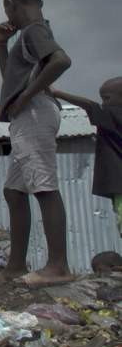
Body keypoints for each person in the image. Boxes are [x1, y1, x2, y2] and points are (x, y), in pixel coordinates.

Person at [0, 0, 74, 287]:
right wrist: (0, 45)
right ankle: (15, 266)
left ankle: (58, 266)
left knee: (43, 186)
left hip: (35, 113)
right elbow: (10, 81)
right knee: (14, 191)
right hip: (29, 115)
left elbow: (61, 61)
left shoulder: (34, 30)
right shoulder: (27, 36)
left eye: (6, 8)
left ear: (11, 3)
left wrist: (27, 97)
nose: (7, 15)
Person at [52, 77, 122, 237]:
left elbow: (90, 106)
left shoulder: (114, 115)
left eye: (107, 98)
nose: (103, 103)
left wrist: (57, 93)